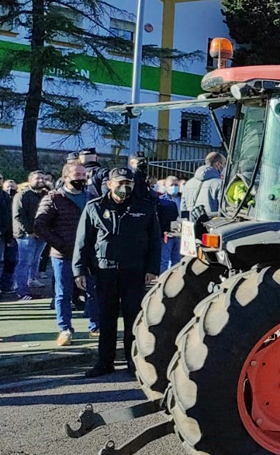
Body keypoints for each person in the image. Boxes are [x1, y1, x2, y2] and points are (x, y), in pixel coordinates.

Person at [75, 168, 162, 378]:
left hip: (134, 271)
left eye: (129, 182)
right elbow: (83, 241)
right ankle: (105, 363)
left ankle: (134, 364)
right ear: (110, 184)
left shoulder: (145, 207)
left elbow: (154, 241)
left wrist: (152, 269)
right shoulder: (95, 207)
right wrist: (79, 271)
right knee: (106, 319)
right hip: (105, 271)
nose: (125, 187)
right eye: (121, 182)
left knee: (133, 319)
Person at [33, 163, 89, 346]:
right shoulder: (54, 198)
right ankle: (65, 328)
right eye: (77, 174)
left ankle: (95, 326)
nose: (81, 178)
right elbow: (40, 225)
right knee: (63, 293)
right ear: (65, 177)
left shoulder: (91, 197)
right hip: (63, 255)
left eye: (83, 174)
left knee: (94, 290)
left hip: (88, 254)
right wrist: (61, 244)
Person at [13, 171, 50, 300]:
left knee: (35, 261)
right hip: (26, 235)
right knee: (25, 263)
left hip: (42, 235)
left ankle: (31, 283)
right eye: (37, 178)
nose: (41, 180)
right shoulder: (22, 195)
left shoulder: (46, 195)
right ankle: (22, 291)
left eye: (43, 178)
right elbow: (18, 216)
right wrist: (30, 231)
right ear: (30, 180)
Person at [181, 152, 225, 221]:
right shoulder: (220, 183)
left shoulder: (188, 183)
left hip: (191, 224)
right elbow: (223, 210)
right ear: (218, 164)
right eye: (224, 164)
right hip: (211, 225)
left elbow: (183, 209)